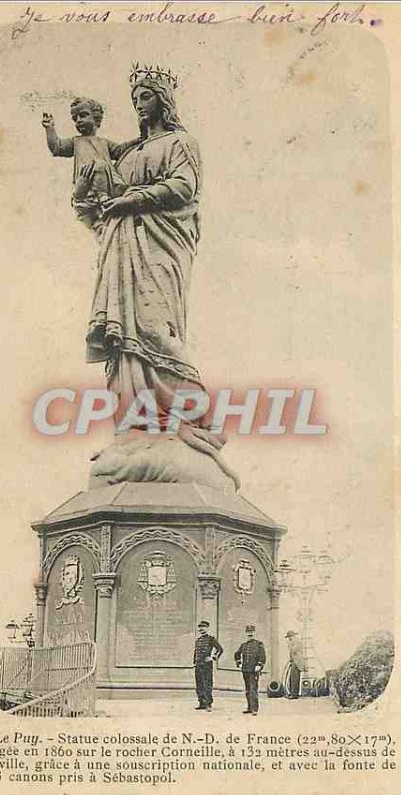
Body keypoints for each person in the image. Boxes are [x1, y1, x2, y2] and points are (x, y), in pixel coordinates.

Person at [85, 65, 238, 486]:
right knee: (124, 343)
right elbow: (99, 196)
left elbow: (184, 188)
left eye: (146, 97)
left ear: (163, 101)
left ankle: (196, 416)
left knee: (154, 329)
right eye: (134, 99)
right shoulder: (128, 152)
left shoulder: (180, 143)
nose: (139, 105)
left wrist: (131, 200)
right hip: (121, 250)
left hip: (160, 246)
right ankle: (138, 429)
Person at [41, 97, 137, 234]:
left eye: (83, 115)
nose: (79, 120)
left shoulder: (103, 142)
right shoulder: (76, 142)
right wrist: (49, 128)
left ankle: (103, 198)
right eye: (75, 118)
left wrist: (137, 141)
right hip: (86, 187)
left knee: (100, 166)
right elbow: (57, 147)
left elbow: (120, 150)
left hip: (105, 184)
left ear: (96, 117)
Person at [234, 624, 266, 715]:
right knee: (248, 689)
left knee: (253, 689)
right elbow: (236, 654)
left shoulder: (259, 644)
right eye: (248, 632)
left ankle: (254, 709)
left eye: (251, 632)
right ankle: (249, 707)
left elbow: (262, 656)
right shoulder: (243, 645)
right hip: (245, 670)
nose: (250, 634)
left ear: (254, 633)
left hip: (254, 670)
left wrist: (259, 665)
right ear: (246, 633)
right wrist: (239, 663)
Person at [193, 620, 223, 711]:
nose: (201, 629)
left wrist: (213, 658)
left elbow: (220, 649)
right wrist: (194, 663)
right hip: (198, 665)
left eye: (203, 627)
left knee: (207, 684)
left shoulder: (211, 639)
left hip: (206, 665)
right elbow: (195, 653)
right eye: (200, 627)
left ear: (207, 628)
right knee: (199, 684)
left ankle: (208, 704)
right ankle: (201, 703)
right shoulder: (198, 640)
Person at [285, 630, 307, 699]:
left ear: (293, 636)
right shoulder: (293, 642)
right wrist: (291, 660)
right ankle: (292, 693)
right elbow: (292, 654)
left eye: (289, 637)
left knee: (295, 678)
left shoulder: (297, 642)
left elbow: (293, 651)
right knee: (291, 678)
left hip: (298, 662)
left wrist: (289, 645)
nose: (289, 639)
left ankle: (294, 694)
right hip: (294, 661)